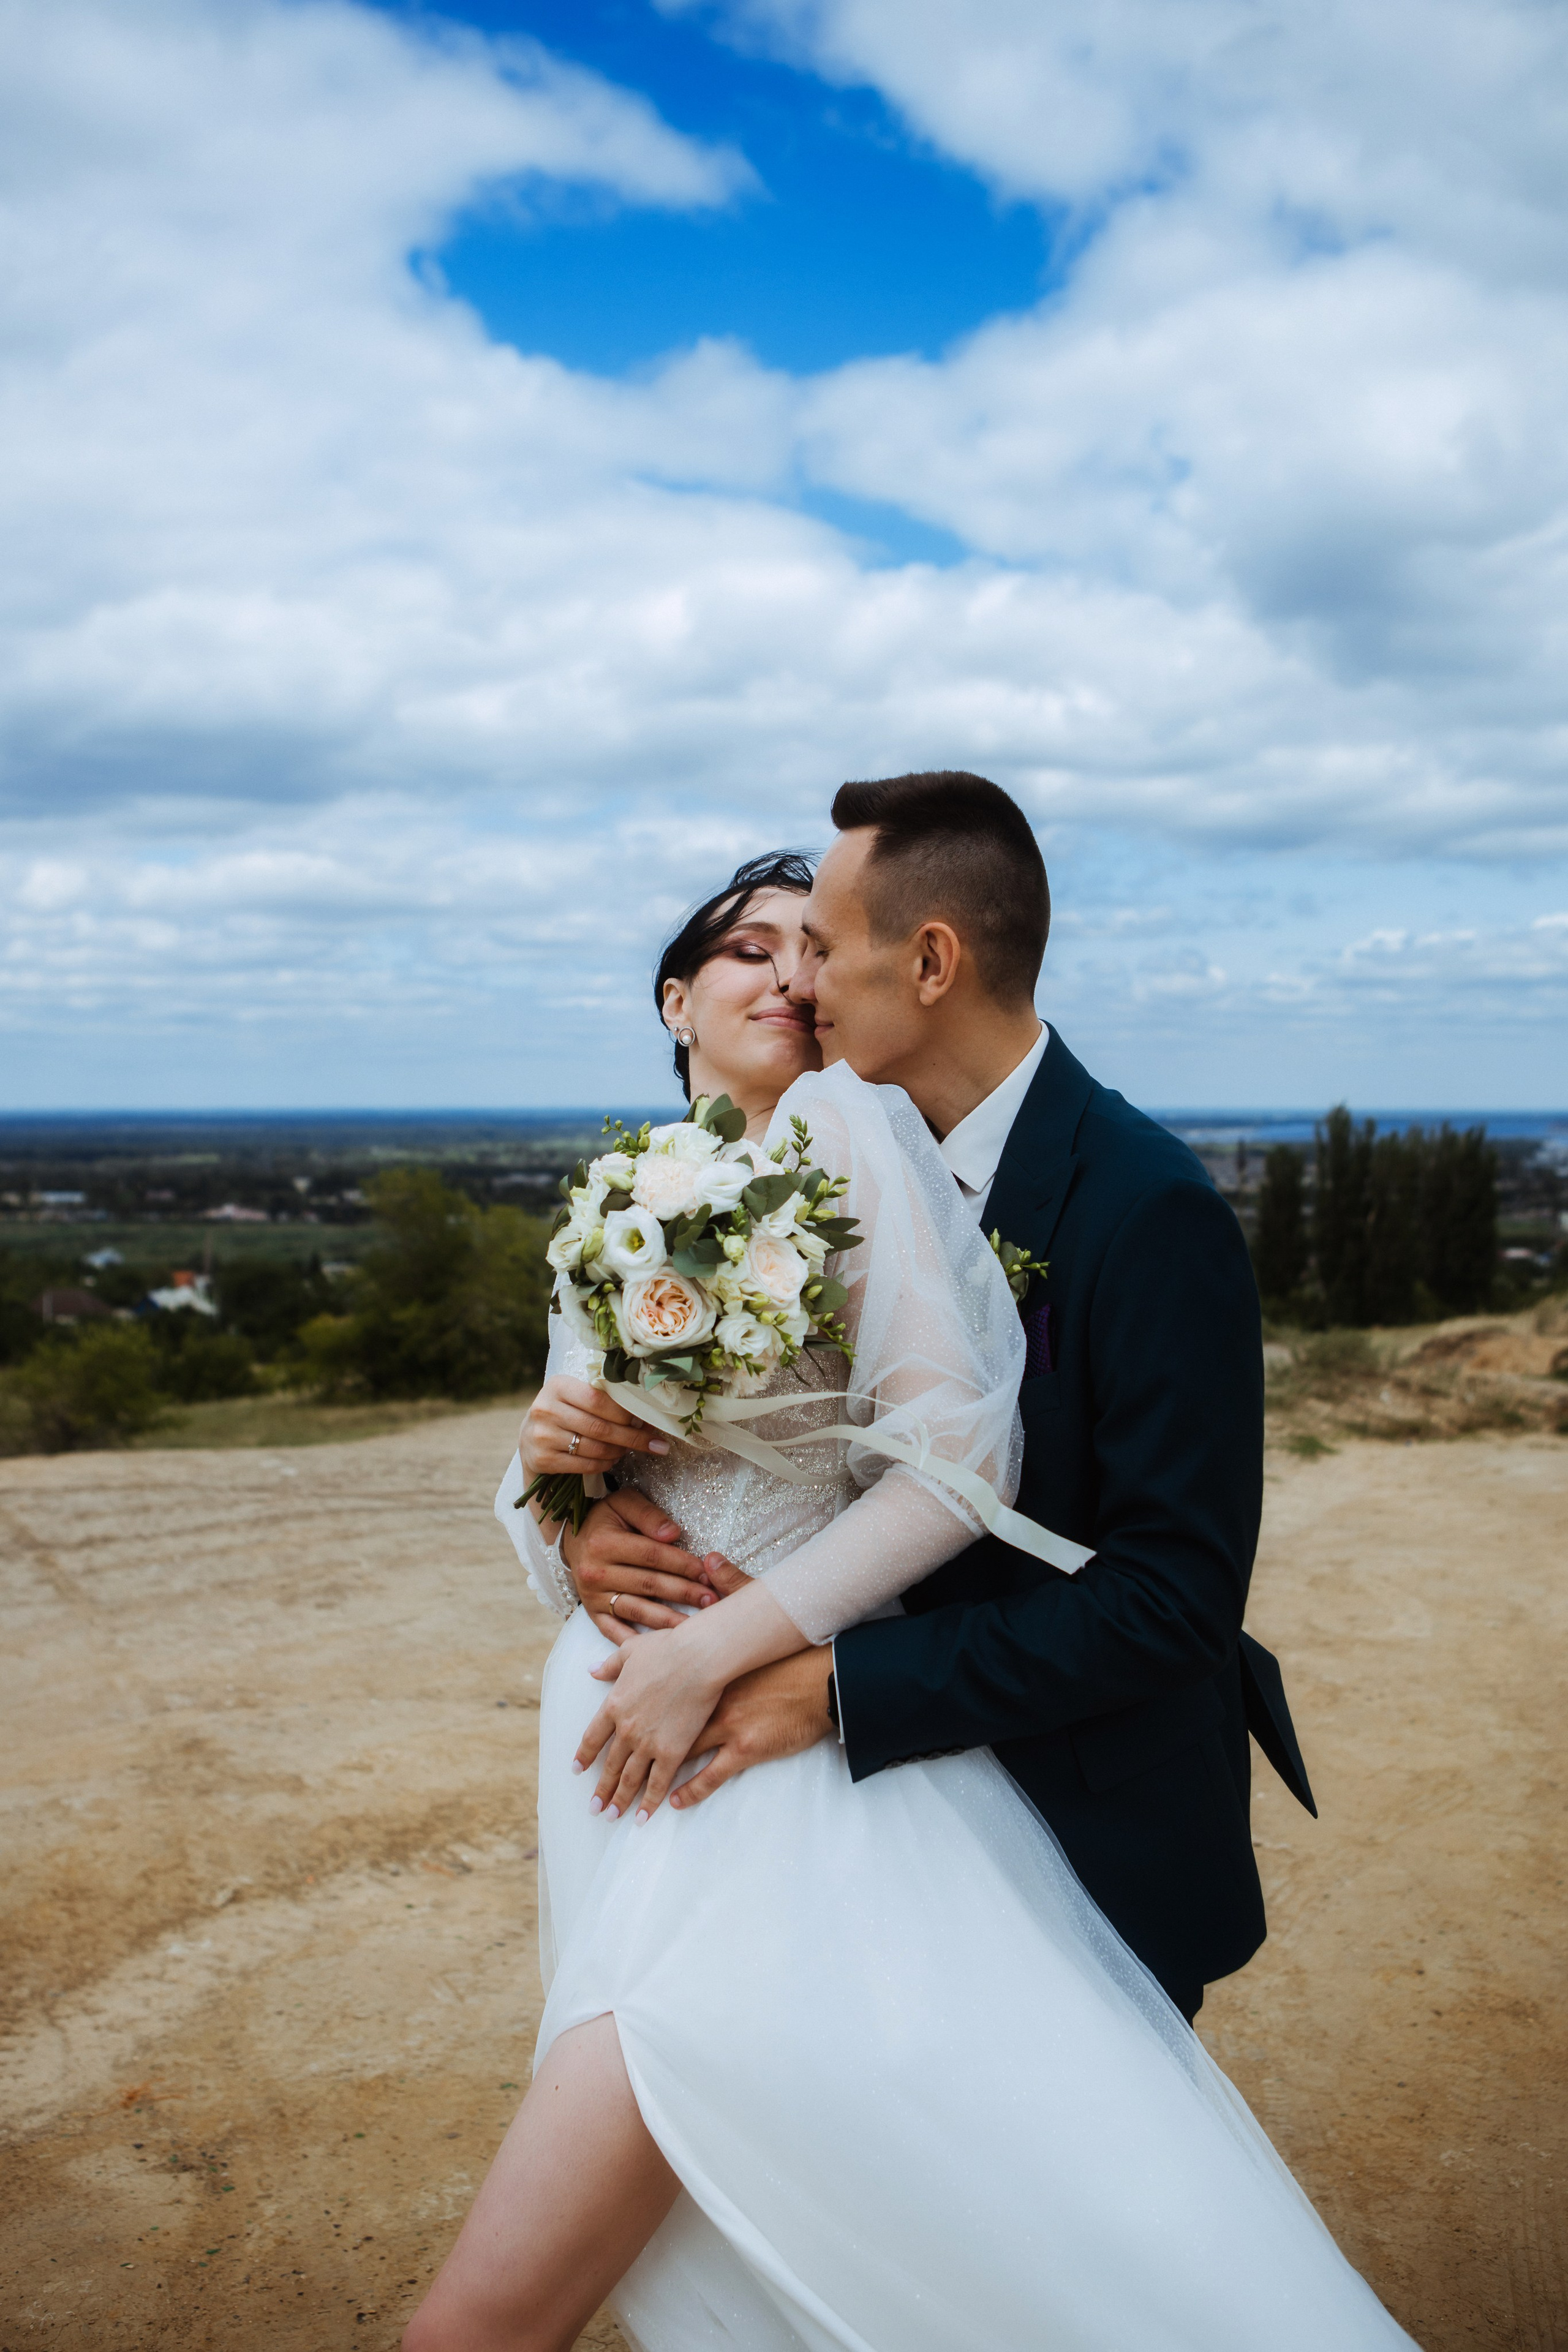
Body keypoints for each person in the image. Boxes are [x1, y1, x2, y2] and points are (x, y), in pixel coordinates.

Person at [404, 804, 1416, 2352]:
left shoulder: (1092, 1193)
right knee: (816, 2196)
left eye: (819, 946)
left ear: (921, 964)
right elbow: (602, 1450)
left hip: (914, 1777)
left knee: (1008, 2220)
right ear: (670, 1001)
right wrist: (559, 1512)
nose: (799, 978)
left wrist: (804, 1676)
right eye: (756, 948)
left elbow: (1151, 1585)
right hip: (673, 1735)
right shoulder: (646, 1191)